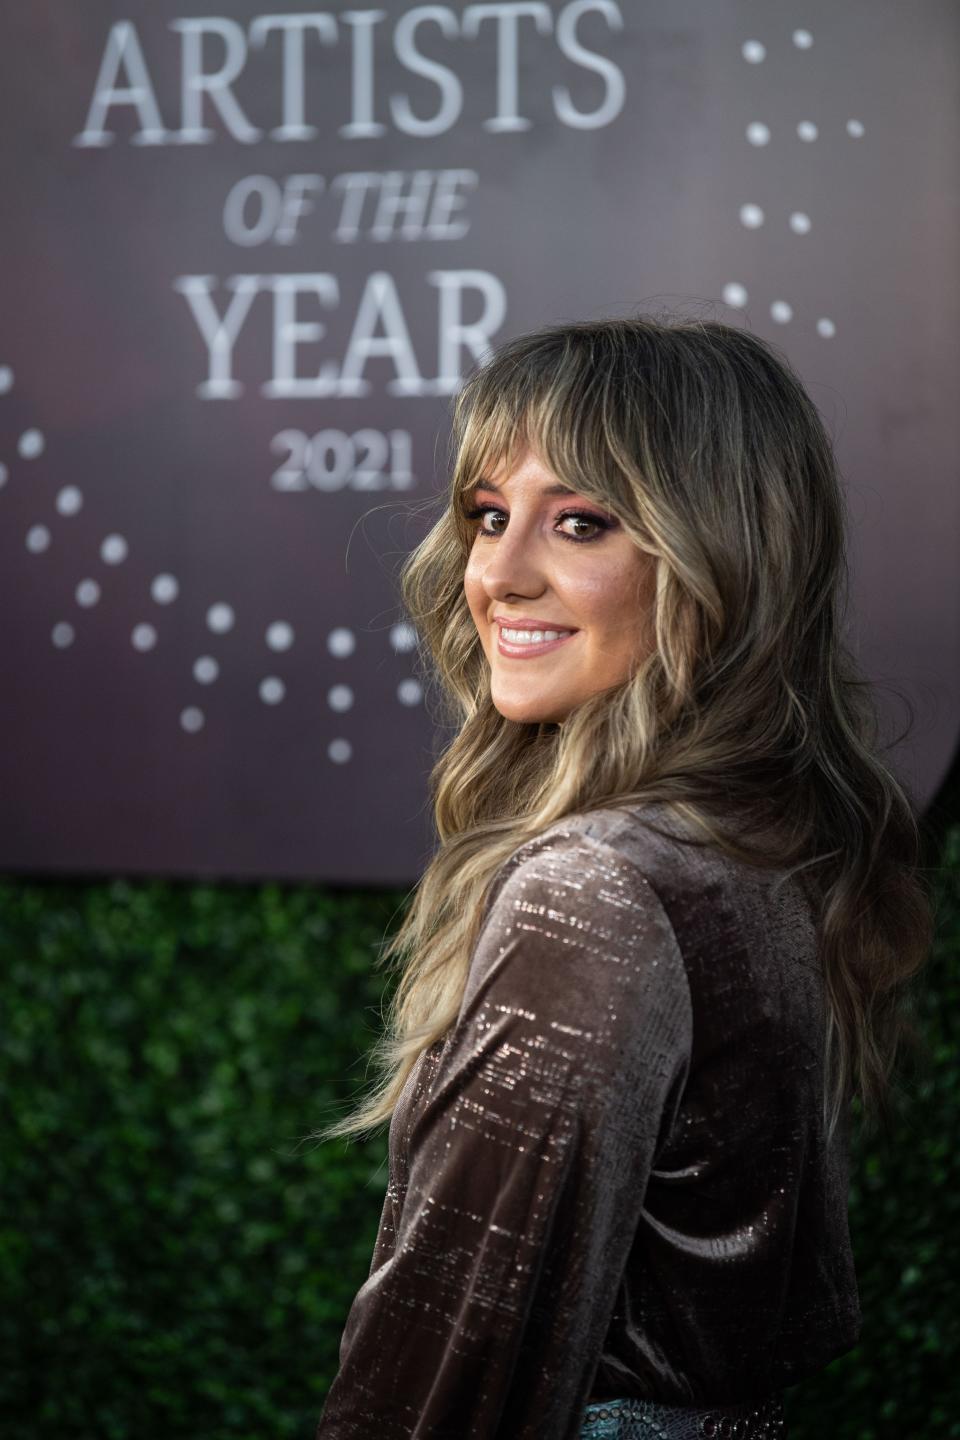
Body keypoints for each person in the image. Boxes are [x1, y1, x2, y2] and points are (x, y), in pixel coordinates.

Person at [311, 316, 934, 1439]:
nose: (494, 575)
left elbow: (458, 1351)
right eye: (487, 517)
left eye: (581, 523)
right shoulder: (754, 835)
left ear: (723, 558)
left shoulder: (593, 887)